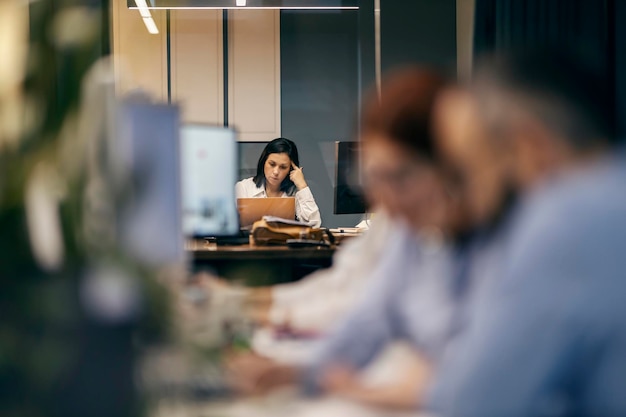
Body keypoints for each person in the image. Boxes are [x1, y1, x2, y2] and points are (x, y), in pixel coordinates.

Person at [227, 68, 469, 409]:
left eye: (398, 178)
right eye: (373, 178)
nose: (384, 199)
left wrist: (361, 391)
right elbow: (369, 317)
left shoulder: (485, 247)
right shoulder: (409, 234)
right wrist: (298, 373)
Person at [425, 49, 626, 416]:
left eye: (468, 169)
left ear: (529, 145)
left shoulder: (566, 219)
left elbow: (475, 402)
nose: (471, 199)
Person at [235, 137, 321, 227]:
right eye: (272, 164)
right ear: (264, 162)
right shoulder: (243, 188)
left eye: (283, 167)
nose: (276, 172)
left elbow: (314, 225)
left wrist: (302, 186)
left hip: (284, 240)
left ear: (290, 169)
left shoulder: (294, 192)